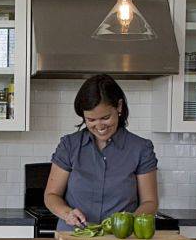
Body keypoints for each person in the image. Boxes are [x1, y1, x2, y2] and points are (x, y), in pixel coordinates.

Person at [44, 74, 159, 231]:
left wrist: (128, 222)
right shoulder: (69, 145)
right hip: (74, 238)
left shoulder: (141, 148)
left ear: (119, 107)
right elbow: (51, 195)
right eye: (91, 120)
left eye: (105, 117)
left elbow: (150, 202)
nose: (99, 126)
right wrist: (67, 214)